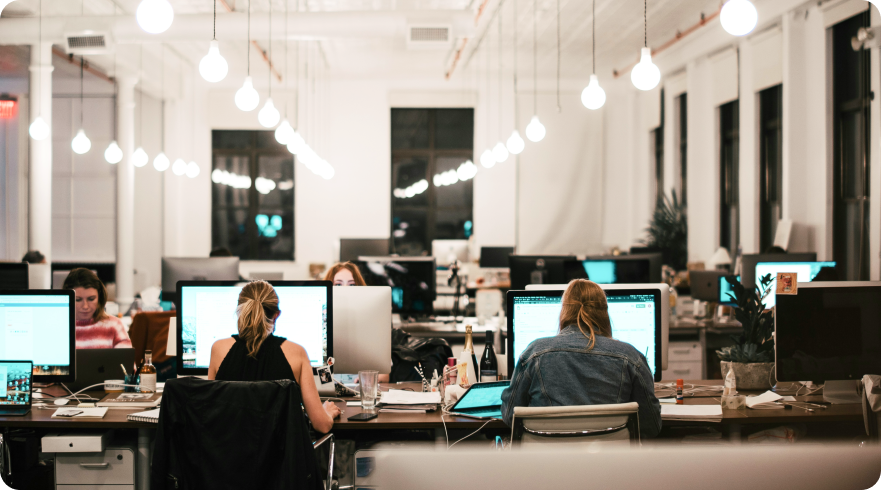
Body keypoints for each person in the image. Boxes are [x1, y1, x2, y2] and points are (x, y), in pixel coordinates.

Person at [500, 279, 662, 438]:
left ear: (564, 311)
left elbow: (510, 415)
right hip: (610, 462)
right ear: (604, 313)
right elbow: (651, 425)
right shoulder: (631, 357)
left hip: (548, 461)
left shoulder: (534, 353)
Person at [207, 280, 341, 433]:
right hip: (281, 456)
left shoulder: (219, 349)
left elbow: (210, 413)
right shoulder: (296, 353)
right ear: (276, 315)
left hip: (228, 454)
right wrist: (327, 413)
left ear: (240, 311)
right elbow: (321, 425)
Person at [62, 268, 132, 349]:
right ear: (67, 298)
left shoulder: (114, 325)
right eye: (77, 300)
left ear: (99, 297)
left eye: (91, 299)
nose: (85, 306)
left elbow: (126, 360)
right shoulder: (56, 326)